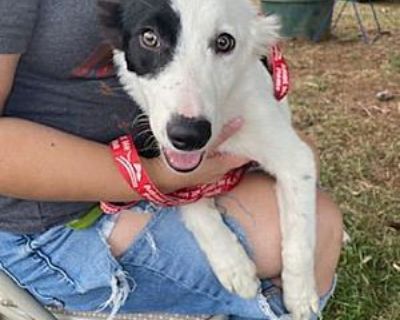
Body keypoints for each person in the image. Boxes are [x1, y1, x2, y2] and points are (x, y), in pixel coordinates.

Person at [0, 1, 343, 319]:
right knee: (317, 229)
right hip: (43, 223)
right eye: (150, 38)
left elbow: (295, 157)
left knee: (311, 222)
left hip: (150, 175)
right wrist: (163, 179)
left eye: (222, 45)